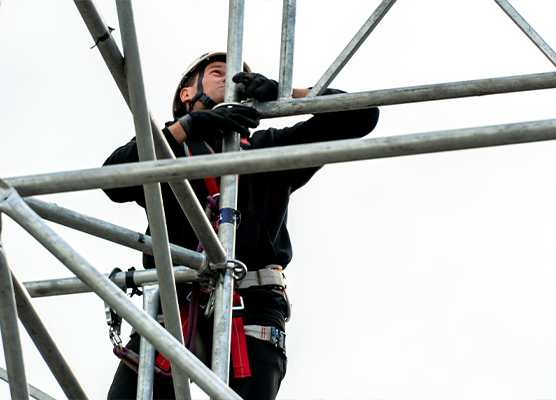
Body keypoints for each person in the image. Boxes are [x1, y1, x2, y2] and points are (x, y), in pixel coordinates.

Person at [103, 52, 379, 399]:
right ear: (186, 95)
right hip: (176, 303)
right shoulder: (164, 150)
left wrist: (287, 93)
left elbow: (363, 115)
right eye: (218, 72)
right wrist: (186, 129)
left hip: (252, 301)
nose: (230, 79)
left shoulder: (269, 148)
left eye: (238, 76)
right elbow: (112, 179)